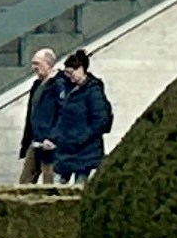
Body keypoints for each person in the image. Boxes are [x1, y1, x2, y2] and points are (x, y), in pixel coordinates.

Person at [49, 49, 114, 187]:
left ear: (81, 69)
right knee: (56, 186)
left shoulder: (93, 91)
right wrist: (54, 137)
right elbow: (62, 117)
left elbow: (101, 120)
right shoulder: (69, 89)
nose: (69, 77)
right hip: (66, 150)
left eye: (71, 73)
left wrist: (81, 138)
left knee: (79, 187)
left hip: (84, 151)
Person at [16, 47, 63, 186]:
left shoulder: (59, 85)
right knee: (25, 182)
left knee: (49, 183)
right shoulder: (36, 85)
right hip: (35, 141)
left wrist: (53, 137)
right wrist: (25, 143)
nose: (34, 67)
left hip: (50, 145)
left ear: (49, 64)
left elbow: (63, 114)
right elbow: (31, 114)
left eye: (37, 64)